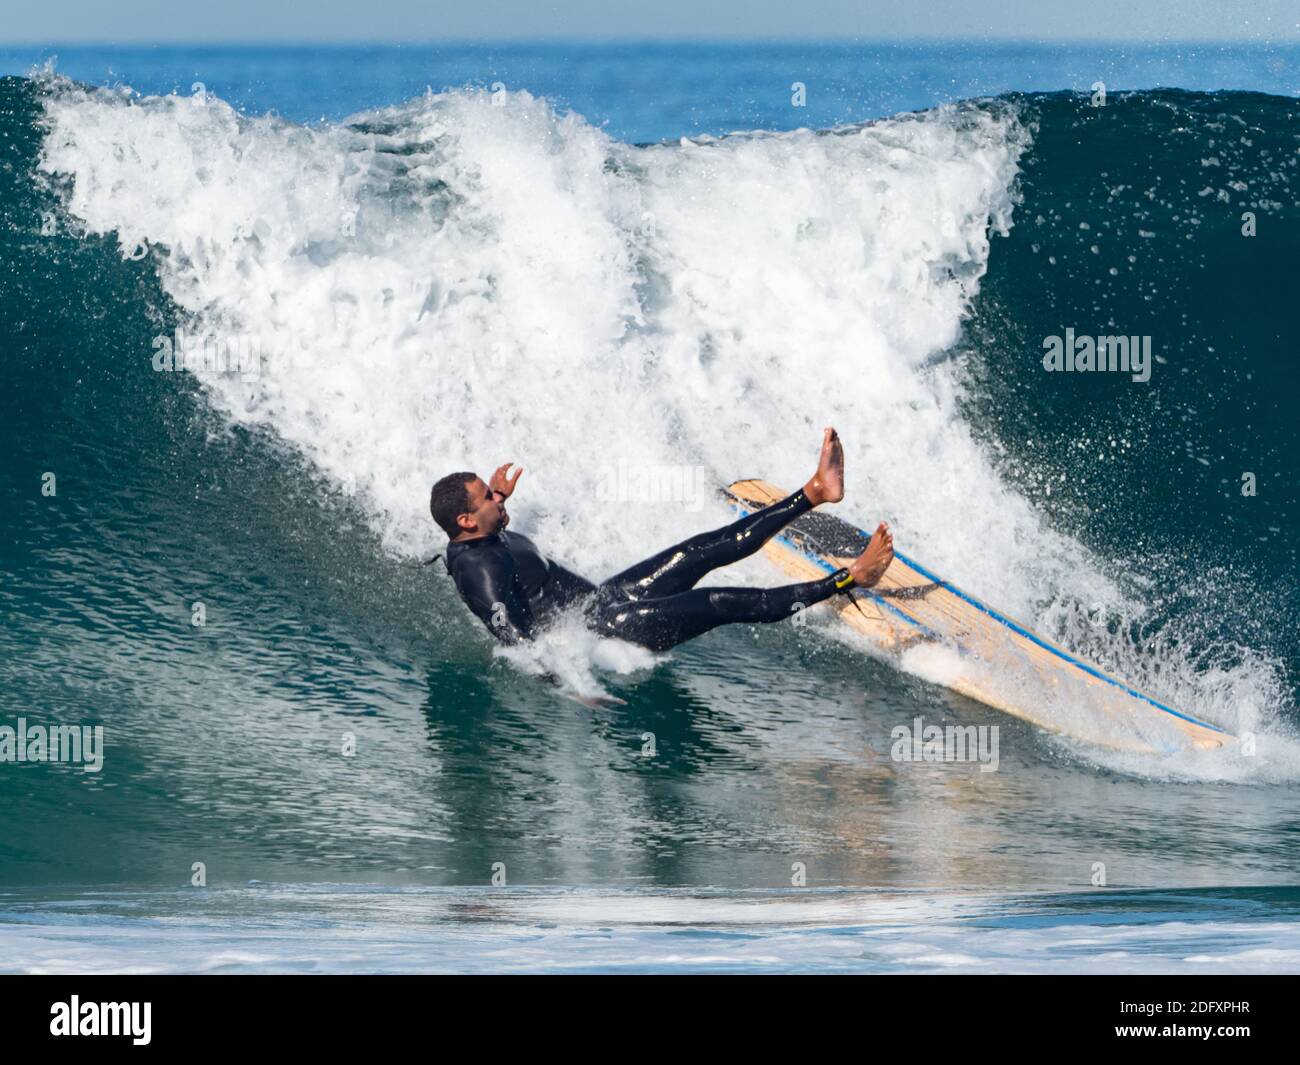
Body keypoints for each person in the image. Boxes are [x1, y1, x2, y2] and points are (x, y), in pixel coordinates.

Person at [429, 429, 894, 653]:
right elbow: (513, 635)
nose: (496, 494)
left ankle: (815, 491)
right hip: (606, 632)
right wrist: (574, 682)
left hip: (603, 602)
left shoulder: (485, 535)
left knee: (700, 548)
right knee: (717, 601)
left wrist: (501, 503)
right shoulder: (478, 568)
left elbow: (510, 561)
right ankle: (851, 578)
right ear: (467, 521)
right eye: (486, 496)